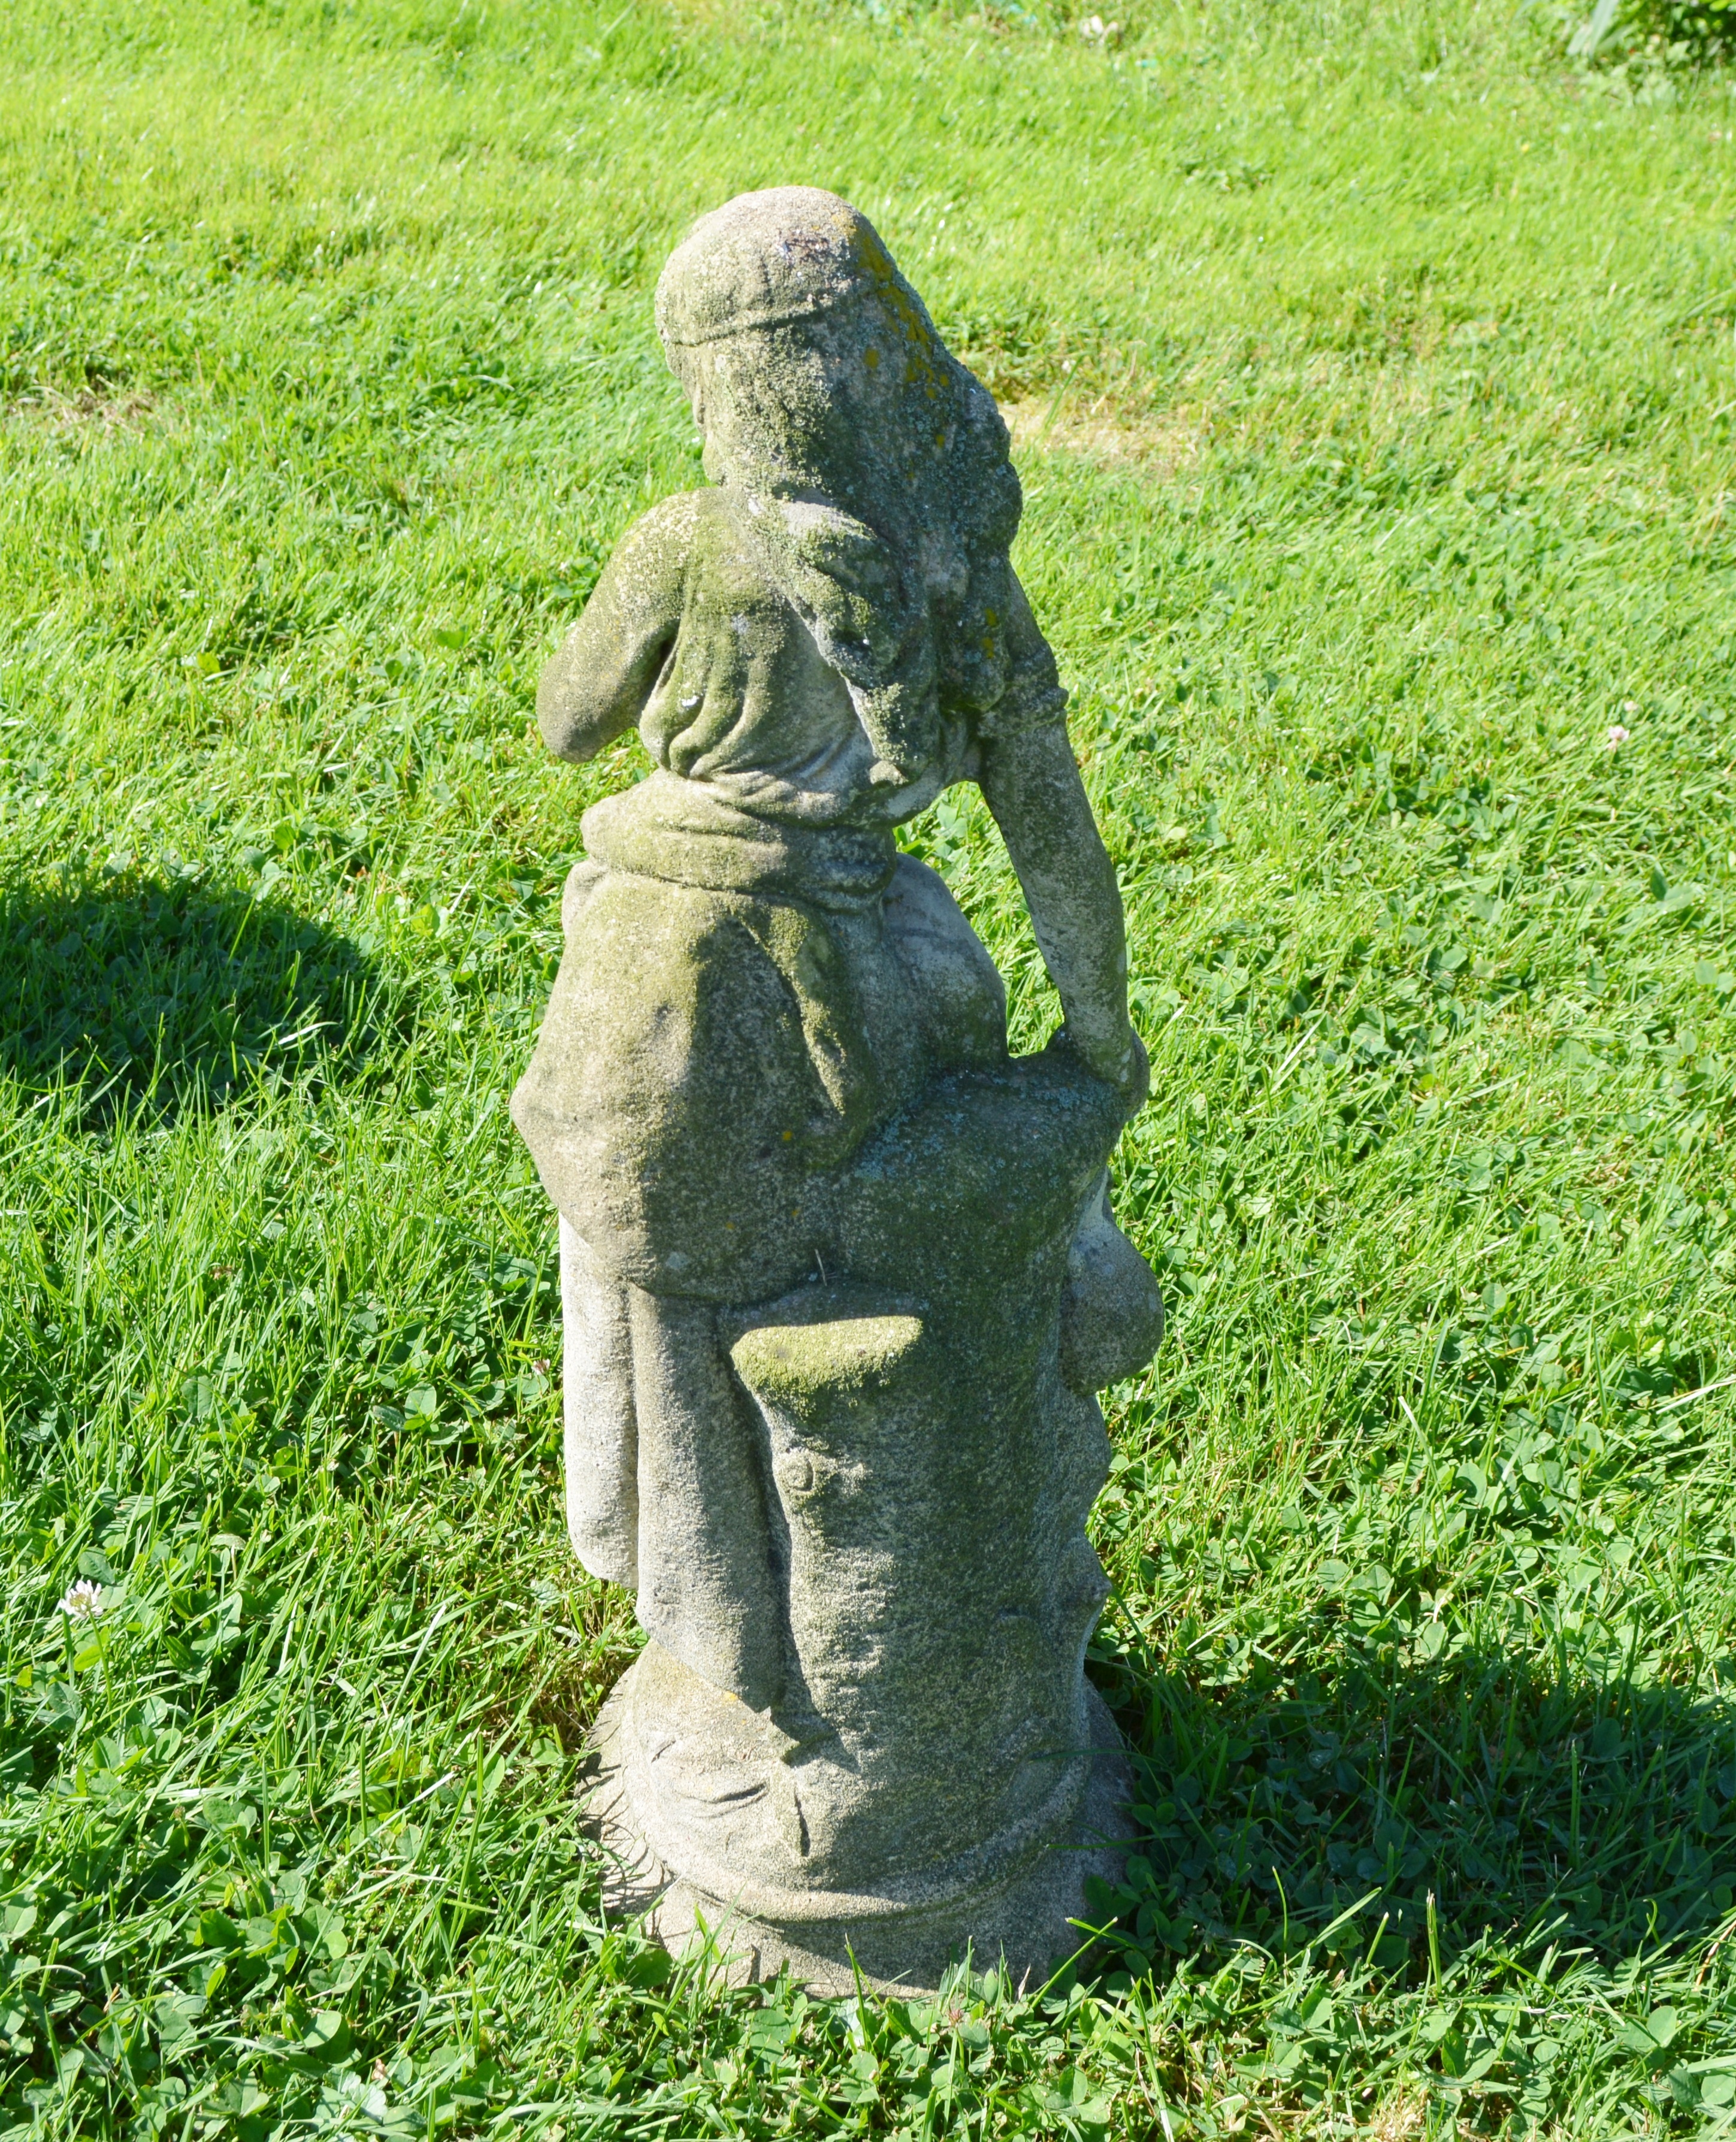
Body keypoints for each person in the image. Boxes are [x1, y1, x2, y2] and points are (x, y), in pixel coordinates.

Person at [511, 187, 1146, 1712]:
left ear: (716, 385)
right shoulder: (958, 577)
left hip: (662, 994)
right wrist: (1099, 1030)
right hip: (878, 995)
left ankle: (723, 1639)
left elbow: (566, 720)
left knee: (670, 1310)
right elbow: (1053, 831)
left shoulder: (683, 544)